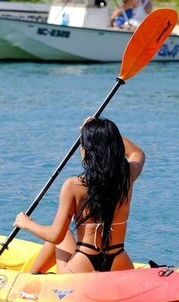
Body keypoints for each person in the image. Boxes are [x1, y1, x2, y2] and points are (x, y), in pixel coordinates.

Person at [13, 117, 145, 274]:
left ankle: (31, 278)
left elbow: (55, 236)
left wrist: (27, 223)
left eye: (83, 144)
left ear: (89, 150)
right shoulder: (126, 177)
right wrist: (106, 134)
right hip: (119, 262)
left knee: (65, 234)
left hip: (84, 265)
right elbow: (137, 153)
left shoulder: (73, 185)